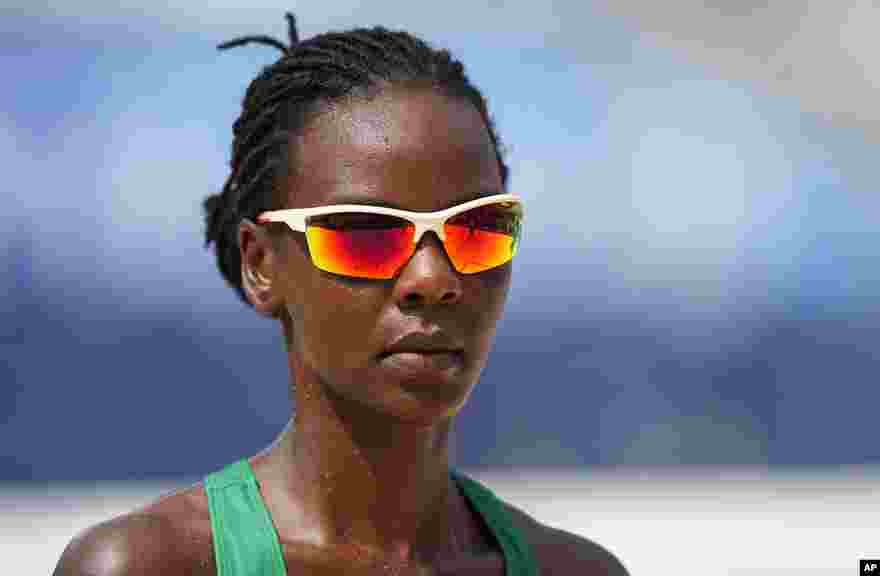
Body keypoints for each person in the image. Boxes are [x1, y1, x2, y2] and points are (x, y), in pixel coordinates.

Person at [54, 13, 630, 576]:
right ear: (261, 264)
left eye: (476, 229)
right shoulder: (148, 567)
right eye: (366, 233)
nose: (432, 279)